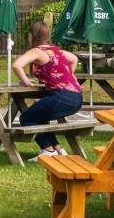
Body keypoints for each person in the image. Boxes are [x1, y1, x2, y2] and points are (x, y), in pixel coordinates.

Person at [14, 20, 83, 156]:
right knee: (40, 118)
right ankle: (58, 149)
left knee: (26, 119)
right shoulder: (56, 50)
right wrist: (69, 76)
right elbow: (74, 59)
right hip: (77, 98)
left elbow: (16, 65)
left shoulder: (37, 51)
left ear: (32, 36)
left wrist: (27, 82)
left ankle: (47, 150)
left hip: (61, 97)